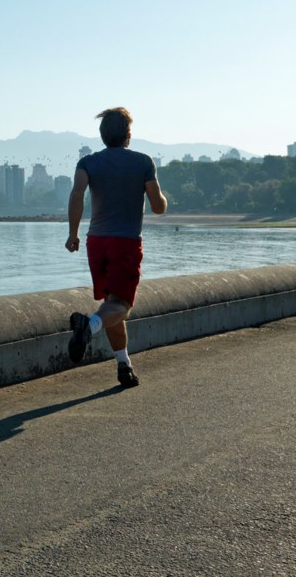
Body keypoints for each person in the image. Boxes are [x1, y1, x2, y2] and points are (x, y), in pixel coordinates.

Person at [65, 107, 168, 388]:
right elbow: (158, 207)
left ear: (102, 136)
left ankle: (124, 366)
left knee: (111, 303)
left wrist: (72, 234)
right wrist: (160, 199)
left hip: (95, 242)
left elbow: (77, 195)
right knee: (121, 306)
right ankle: (90, 326)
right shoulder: (143, 162)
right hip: (125, 242)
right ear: (129, 135)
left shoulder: (87, 162)